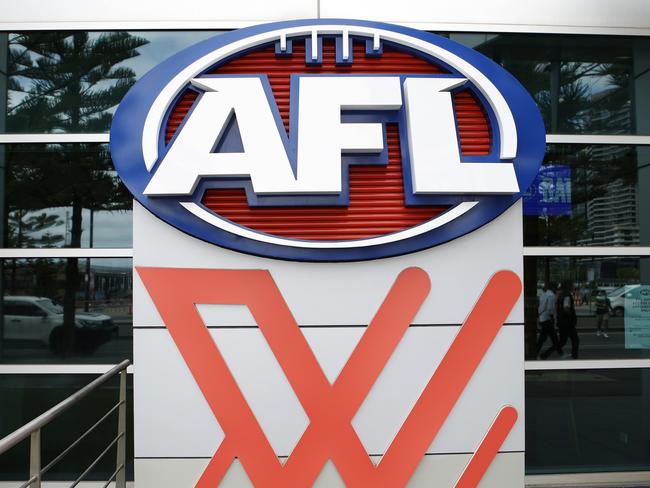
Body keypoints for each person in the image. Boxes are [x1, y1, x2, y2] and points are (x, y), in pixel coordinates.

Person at [536, 281, 563, 359]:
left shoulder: (543, 295)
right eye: (556, 288)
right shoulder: (552, 296)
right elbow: (551, 309)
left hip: (542, 317)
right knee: (553, 338)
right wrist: (554, 319)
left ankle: (536, 353)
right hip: (547, 319)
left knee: (544, 337)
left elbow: (541, 306)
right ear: (553, 288)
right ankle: (560, 353)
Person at [557, 281, 579, 359]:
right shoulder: (567, 296)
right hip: (568, 322)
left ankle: (547, 353)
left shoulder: (560, 295)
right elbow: (566, 308)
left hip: (562, 321)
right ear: (568, 286)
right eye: (572, 285)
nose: (574, 286)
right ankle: (575, 357)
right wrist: (572, 316)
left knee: (564, 340)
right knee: (574, 340)